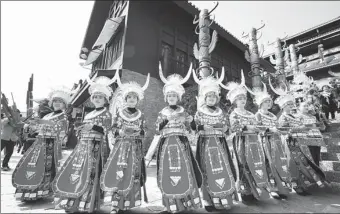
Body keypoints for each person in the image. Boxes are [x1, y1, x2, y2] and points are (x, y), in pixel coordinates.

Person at [53, 75, 117, 213]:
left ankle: (88, 201)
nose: (97, 99)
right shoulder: (88, 114)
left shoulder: (107, 114)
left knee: (91, 173)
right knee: (77, 170)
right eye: (95, 97)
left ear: (105, 100)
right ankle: (73, 198)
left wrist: (92, 128)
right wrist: (80, 130)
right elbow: (82, 130)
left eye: (100, 97)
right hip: (83, 146)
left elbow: (106, 130)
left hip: (96, 147)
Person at [100, 72, 150, 214]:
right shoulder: (120, 113)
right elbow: (113, 128)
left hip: (135, 148)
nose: (132, 100)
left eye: (134, 98)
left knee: (132, 173)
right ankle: (115, 204)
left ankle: (128, 202)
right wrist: (120, 132)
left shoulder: (141, 115)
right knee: (118, 172)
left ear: (137, 100)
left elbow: (145, 130)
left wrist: (137, 132)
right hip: (120, 148)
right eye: (129, 97)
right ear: (125, 99)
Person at [156, 63, 203, 213]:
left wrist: (189, 121)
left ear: (178, 97)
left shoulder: (184, 111)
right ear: (166, 98)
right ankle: (170, 205)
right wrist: (167, 120)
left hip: (181, 143)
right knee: (168, 172)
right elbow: (157, 129)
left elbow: (192, 127)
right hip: (166, 144)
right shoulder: (162, 112)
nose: (171, 98)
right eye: (169, 96)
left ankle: (187, 203)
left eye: (174, 96)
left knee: (185, 171)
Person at [12, 87, 71, 201]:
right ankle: (29, 189)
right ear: (51, 103)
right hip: (39, 143)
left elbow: (61, 130)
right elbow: (38, 129)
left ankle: (43, 190)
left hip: (51, 144)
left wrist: (44, 124)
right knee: (33, 165)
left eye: (60, 102)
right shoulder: (47, 115)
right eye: (55, 101)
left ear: (64, 104)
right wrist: (30, 125)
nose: (57, 103)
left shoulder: (63, 116)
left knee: (46, 167)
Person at [270, 81, 328, 196]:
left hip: (298, 142)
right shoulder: (282, 117)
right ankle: (296, 185)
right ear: (283, 106)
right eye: (289, 105)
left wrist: (307, 127)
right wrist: (300, 128)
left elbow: (300, 127)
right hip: (288, 142)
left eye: (292, 104)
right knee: (292, 163)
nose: (292, 106)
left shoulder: (294, 116)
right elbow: (282, 130)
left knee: (301, 163)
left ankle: (303, 184)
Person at [192, 69, 239, 211]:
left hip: (220, 145)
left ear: (217, 99)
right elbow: (194, 126)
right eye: (209, 96)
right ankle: (208, 200)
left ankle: (225, 197)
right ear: (204, 98)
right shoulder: (199, 111)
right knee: (207, 170)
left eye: (214, 97)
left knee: (223, 169)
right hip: (206, 144)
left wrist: (223, 127)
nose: (211, 98)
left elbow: (227, 128)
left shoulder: (221, 112)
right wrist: (202, 126)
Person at [220, 71, 271, 202]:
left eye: (244, 98)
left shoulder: (250, 113)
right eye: (239, 99)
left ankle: (257, 191)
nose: (242, 100)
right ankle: (246, 193)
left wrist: (260, 128)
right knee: (243, 164)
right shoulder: (233, 113)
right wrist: (246, 127)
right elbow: (234, 128)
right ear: (235, 101)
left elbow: (257, 125)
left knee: (256, 164)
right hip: (241, 142)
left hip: (254, 142)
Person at [250, 83, 291, 200]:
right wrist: (269, 129)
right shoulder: (257, 115)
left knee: (279, 163)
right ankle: (272, 188)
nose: (268, 104)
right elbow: (257, 128)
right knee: (268, 163)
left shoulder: (273, 115)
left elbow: (277, 126)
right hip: (264, 141)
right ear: (261, 103)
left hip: (276, 142)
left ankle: (282, 187)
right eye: (266, 102)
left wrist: (280, 130)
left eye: (269, 102)